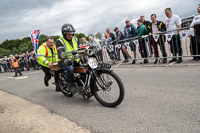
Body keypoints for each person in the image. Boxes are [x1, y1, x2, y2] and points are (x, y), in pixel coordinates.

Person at [56, 24, 79, 93]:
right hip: (63, 61)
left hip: (75, 59)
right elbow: (60, 52)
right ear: (64, 34)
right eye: (68, 34)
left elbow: (80, 48)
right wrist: (66, 60)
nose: (70, 35)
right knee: (70, 68)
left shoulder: (75, 39)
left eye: (71, 34)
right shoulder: (59, 41)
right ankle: (70, 85)